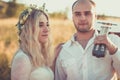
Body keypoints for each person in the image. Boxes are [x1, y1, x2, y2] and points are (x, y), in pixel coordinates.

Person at [55, 0, 120, 80]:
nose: (82, 18)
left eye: (87, 13)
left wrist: (113, 49)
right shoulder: (64, 50)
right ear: (72, 18)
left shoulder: (113, 41)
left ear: (95, 16)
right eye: (78, 14)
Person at [11, 5, 54, 80]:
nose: (46, 29)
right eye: (40, 25)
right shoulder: (22, 58)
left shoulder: (40, 55)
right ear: (29, 29)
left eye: (47, 24)